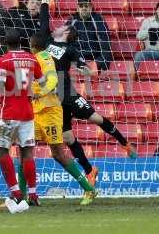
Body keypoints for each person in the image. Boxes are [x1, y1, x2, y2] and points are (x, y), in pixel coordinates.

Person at [36, 0, 137, 187]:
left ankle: (125, 143)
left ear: (66, 33)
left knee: (96, 119)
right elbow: (44, 21)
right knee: (67, 137)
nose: (59, 26)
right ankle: (90, 170)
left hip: (69, 95)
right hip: (54, 101)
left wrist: (87, 70)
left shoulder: (71, 50)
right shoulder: (47, 42)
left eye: (63, 27)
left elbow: (86, 68)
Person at [0, 29, 44, 214]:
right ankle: (33, 195)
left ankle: (16, 193)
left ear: (5, 43)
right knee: (27, 153)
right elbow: (43, 81)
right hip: (27, 114)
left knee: (0, 151)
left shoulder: (4, 60)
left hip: (9, 114)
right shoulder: (32, 59)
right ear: (22, 42)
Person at [29, 33, 97, 205]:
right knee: (25, 151)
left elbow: (53, 80)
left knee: (58, 154)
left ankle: (89, 190)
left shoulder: (44, 59)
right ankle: (24, 197)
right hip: (37, 111)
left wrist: (40, 92)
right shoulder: (38, 57)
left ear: (32, 45)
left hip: (50, 111)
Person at [67, 0, 112, 70]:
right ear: (77, 8)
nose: (84, 8)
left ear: (91, 7)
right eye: (81, 6)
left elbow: (105, 44)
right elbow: (64, 41)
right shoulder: (72, 20)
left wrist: (98, 62)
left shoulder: (98, 20)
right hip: (76, 58)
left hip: (94, 57)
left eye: (86, 6)